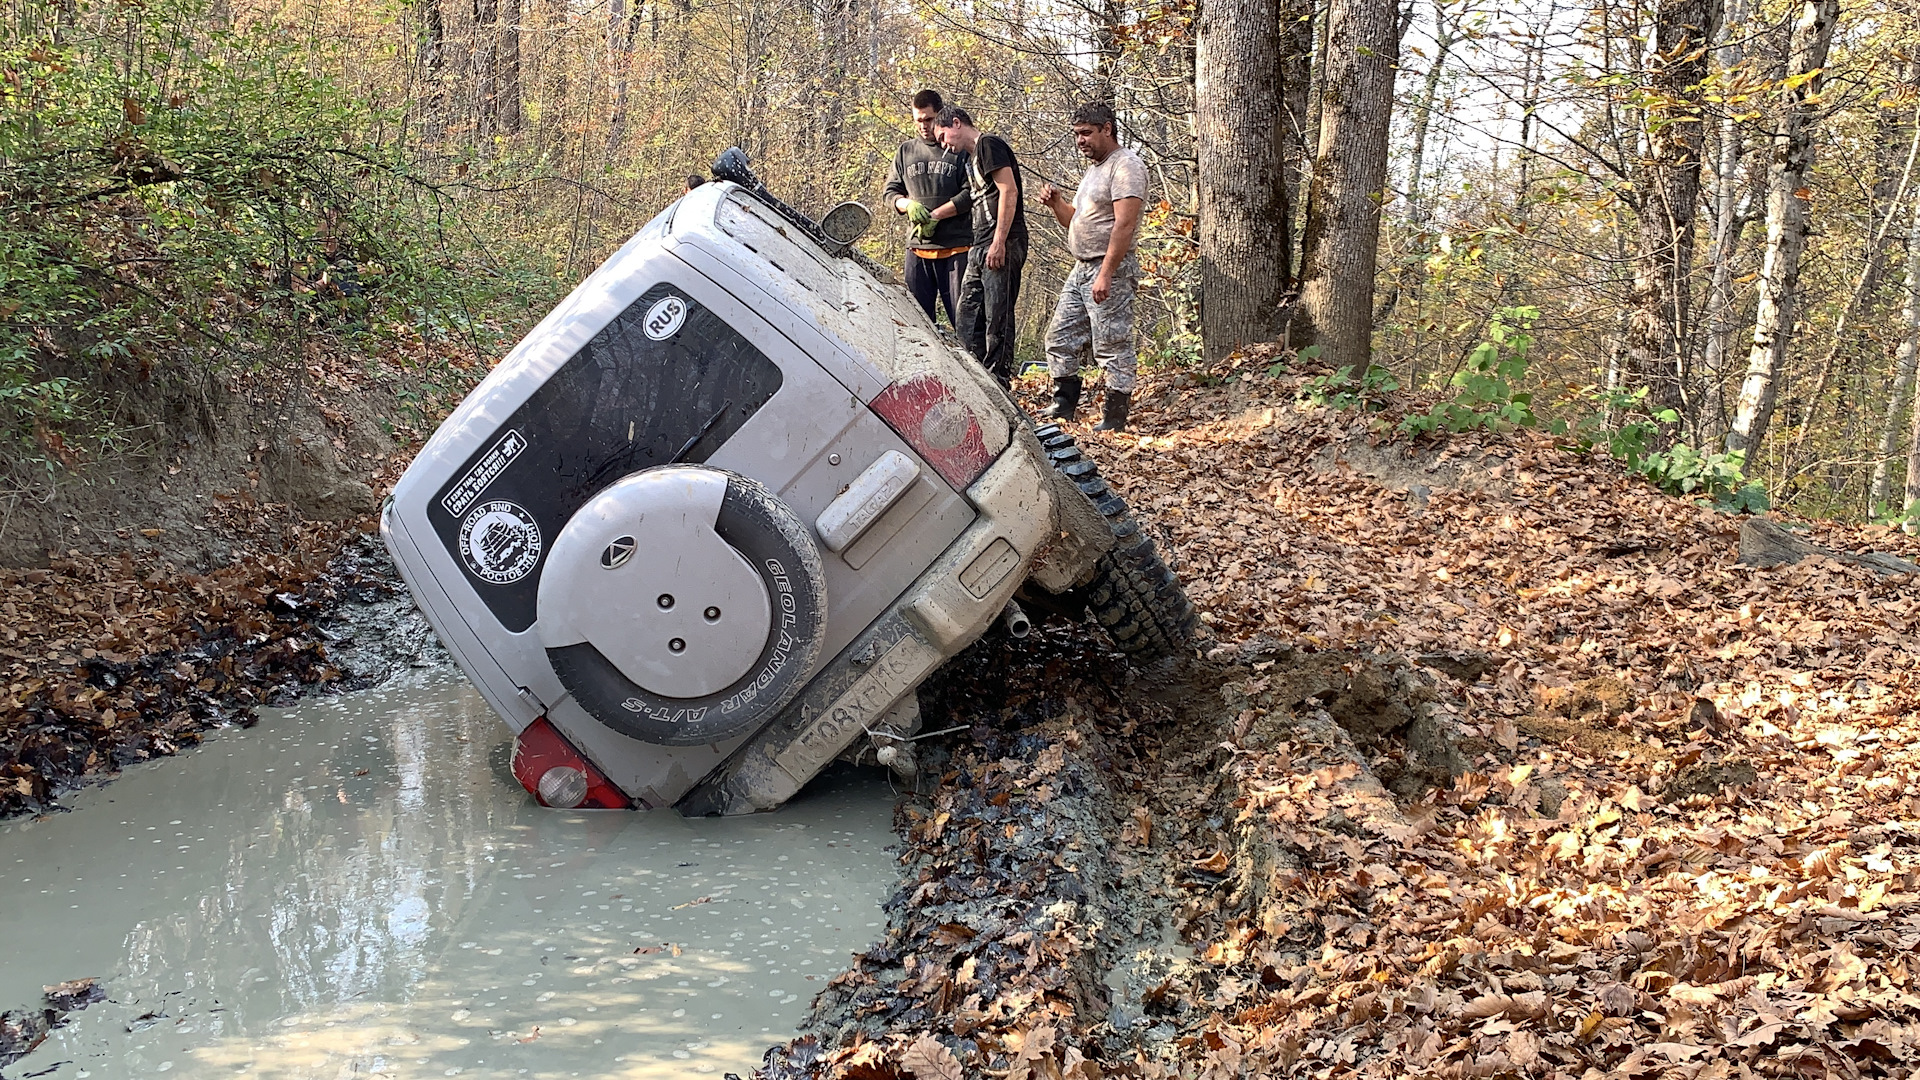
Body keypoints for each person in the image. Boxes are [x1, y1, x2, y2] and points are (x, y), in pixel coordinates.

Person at [1034, 101, 1147, 431]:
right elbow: (1076, 222)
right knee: (1059, 336)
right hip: (1081, 267)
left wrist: (1107, 274)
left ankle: (1114, 418)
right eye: (1076, 134)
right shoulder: (1094, 170)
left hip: (1110, 267)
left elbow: (1124, 225)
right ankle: (1063, 405)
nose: (1080, 140)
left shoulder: (1126, 167)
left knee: (1112, 344)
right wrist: (1057, 204)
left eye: (1086, 133)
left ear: (1107, 129)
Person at [932, 106, 1028, 388]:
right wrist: (934, 215)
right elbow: (970, 200)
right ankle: (974, 378)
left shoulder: (989, 144)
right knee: (968, 314)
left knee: (997, 315)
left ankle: (999, 380)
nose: (944, 145)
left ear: (957, 124)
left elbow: (1009, 190)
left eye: (943, 137)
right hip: (978, 243)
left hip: (1003, 242)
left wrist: (999, 241)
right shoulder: (969, 160)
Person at [881, 89, 972, 328]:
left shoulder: (957, 148)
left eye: (929, 119)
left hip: (956, 248)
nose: (923, 126)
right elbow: (890, 192)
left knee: (963, 322)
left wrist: (937, 215)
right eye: (918, 120)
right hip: (918, 249)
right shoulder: (906, 152)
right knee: (918, 324)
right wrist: (907, 204)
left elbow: (970, 193)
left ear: (940, 115)